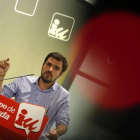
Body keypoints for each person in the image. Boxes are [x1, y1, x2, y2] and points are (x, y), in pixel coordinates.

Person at [0, 52, 70, 140]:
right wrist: (1, 75)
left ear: (60, 74)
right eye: (49, 64)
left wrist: (57, 132)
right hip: (8, 136)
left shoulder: (63, 96)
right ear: (43, 65)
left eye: (56, 68)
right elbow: (1, 98)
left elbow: (63, 122)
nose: (50, 69)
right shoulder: (23, 80)